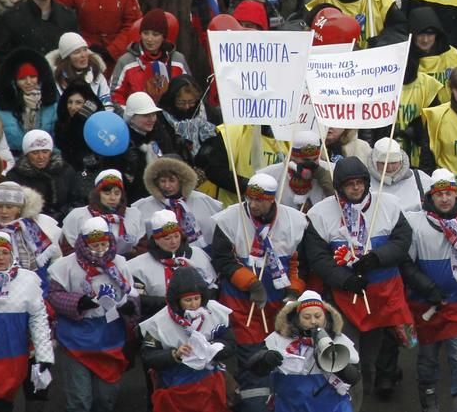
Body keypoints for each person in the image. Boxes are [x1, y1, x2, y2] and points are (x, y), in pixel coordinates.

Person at [301, 155, 414, 410]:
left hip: (381, 298)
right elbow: (318, 257)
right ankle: (349, 404)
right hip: (344, 299)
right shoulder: (320, 214)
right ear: (340, 186)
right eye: (350, 183)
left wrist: (376, 258)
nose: (356, 188)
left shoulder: (389, 204)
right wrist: (346, 280)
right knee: (347, 359)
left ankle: (363, 397)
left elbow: (402, 240)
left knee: (367, 360)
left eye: (360, 182)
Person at [208, 172, 309, 412]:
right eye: (249, 199)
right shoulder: (227, 219)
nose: (253, 205)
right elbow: (222, 258)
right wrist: (251, 283)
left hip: (281, 305)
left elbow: (302, 262)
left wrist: (294, 293)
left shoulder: (296, 220)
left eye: (259, 200)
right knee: (252, 363)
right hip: (244, 305)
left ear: (272, 199)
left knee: (284, 358)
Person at [404, 169, 457, 412]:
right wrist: (426, 288)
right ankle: (429, 401)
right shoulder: (415, 222)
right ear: (431, 195)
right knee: (427, 359)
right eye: (439, 194)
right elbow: (405, 264)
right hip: (427, 306)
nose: (445, 199)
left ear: (456, 193)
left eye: (449, 193)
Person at [46, 215, 139, 412]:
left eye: (103, 244)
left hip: (110, 337)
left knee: (106, 398)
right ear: (83, 243)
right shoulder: (65, 266)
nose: (99, 249)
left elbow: (132, 292)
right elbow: (53, 295)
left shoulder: (120, 264)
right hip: (76, 338)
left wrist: (129, 306)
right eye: (94, 245)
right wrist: (78, 302)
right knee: (80, 399)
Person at [246, 291, 361, 412]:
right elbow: (253, 368)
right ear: (297, 318)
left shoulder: (338, 339)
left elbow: (354, 378)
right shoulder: (279, 339)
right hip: (290, 406)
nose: (313, 321)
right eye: (306, 317)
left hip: (331, 406)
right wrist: (265, 358)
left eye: (318, 316)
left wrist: (337, 364)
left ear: (325, 315)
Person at [137, 264, 232, 412]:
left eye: (197, 298)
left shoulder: (216, 311)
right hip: (176, 386)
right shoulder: (158, 322)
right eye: (188, 300)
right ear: (177, 301)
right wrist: (175, 354)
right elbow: (148, 356)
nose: (194, 304)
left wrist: (214, 347)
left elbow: (231, 343)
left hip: (210, 382)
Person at [0, 229, 55, 411]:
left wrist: (44, 355)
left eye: (4, 252)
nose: (0, 257)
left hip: (13, 360)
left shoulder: (28, 280)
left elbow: (39, 320)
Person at [130, 154, 222, 250]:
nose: (167, 186)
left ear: (182, 180)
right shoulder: (144, 206)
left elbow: (219, 232)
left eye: (172, 180)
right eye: (163, 181)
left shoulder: (202, 200)